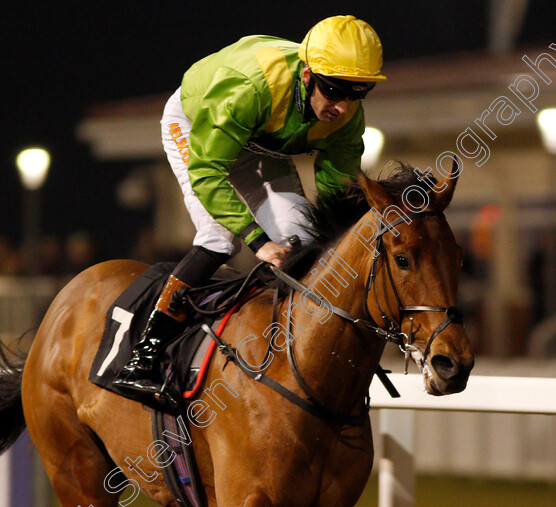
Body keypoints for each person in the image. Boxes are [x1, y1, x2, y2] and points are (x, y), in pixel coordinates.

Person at [113, 15, 386, 400]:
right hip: (198, 126)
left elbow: (336, 198)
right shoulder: (249, 88)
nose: (342, 107)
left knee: (306, 243)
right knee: (220, 237)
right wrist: (258, 241)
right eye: (334, 90)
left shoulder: (346, 117)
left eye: (358, 93)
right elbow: (208, 171)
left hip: (259, 142)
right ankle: (144, 355)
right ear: (308, 75)